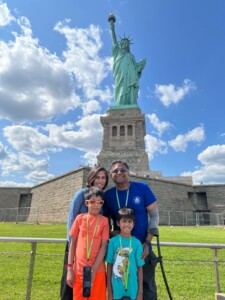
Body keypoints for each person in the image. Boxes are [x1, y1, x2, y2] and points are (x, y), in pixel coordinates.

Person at [103, 161, 159, 300]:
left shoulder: (142, 188)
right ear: (111, 175)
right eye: (115, 171)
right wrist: (110, 233)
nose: (119, 173)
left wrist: (147, 241)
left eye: (122, 170)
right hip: (120, 250)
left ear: (128, 172)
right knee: (121, 284)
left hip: (142, 247)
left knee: (147, 285)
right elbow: (104, 222)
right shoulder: (108, 195)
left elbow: (154, 215)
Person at [60, 164, 109, 300]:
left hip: (95, 253)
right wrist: (73, 246)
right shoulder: (81, 194)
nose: (100, 181)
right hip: (77, 247)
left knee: (93, 287)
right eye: (97, 177)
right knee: (70, 284)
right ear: (91, 178)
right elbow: (71, 218)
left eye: (103, 178)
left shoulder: (102, 197)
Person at [106, 207, 145, 300]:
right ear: (118, 223)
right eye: (124, 221)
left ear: (133, 224)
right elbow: (109, 266)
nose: (127, 224)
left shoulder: (137, 243)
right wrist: (110, 292)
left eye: (130, 221)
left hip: (132, 288)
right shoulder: (113, 242)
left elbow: (140, 268)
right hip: (116, 289)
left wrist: (140, 292)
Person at [108, 14, 146, 106]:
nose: (125, 44)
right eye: (123, 43)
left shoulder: (131, 56)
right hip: (120, 75)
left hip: (131, 76)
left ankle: (131, 103)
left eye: (127, 43)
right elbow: (113, 37)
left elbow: (136, 68)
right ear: (120, 45)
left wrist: (141, 65)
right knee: (120, 89)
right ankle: (120, 104)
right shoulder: (117, 52)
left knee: (131, 89)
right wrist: (111, 24)